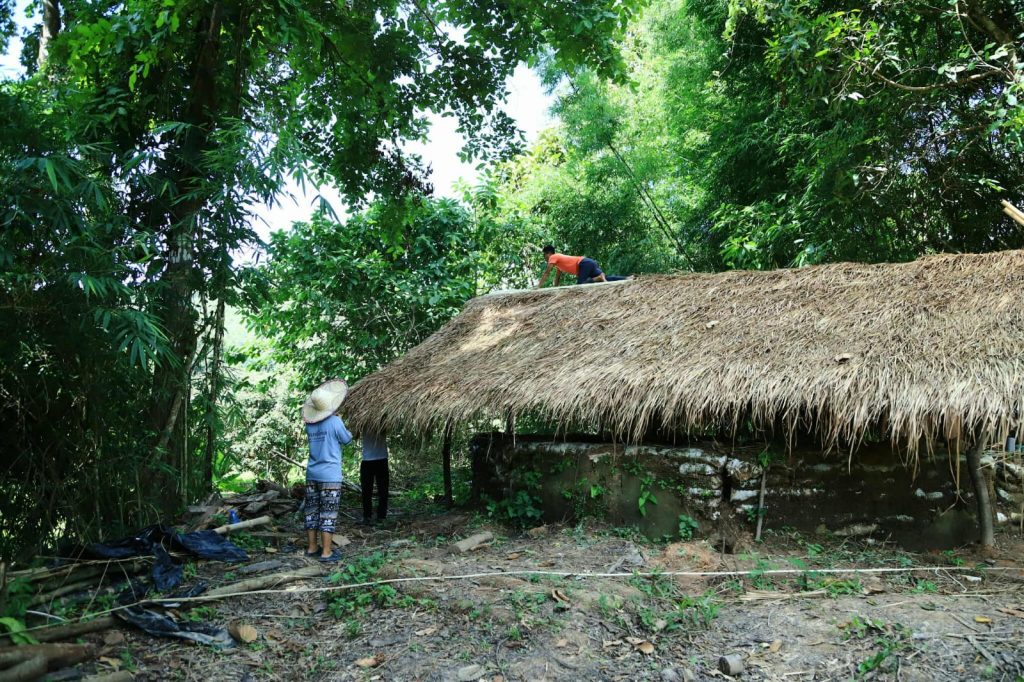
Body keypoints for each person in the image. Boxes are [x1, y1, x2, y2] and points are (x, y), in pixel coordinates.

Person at [301, 379, 352, 562]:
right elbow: (347, 440)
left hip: (312, 473)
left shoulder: (309, 424)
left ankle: (312, 547)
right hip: (330, 474)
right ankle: (326, 552)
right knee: (328, 513)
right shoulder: (335, 422)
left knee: (312, 511)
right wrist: (341, 422)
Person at [537, 245, 630, 287]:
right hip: (589, 262)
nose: (544, 257)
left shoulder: (553, 257)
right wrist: (555, 289)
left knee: (580, 285)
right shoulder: (558, 264)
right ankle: (627, 278)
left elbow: (546, 273)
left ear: (548, 253)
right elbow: (557, 277)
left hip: (584, 264)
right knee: (607, 279)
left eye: (544, 255)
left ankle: (598, 278)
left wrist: (538, 287)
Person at [359, 430, 390, 527]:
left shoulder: (382, 418)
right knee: (366, 491)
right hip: (369, 460)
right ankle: (367, 516)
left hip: (380, 459)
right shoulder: (362, 421)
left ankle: (381, 516)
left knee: (383, 490)